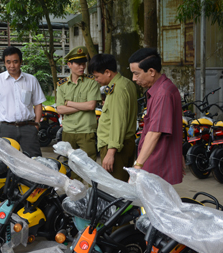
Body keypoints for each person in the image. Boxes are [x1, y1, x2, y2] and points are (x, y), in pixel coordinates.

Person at [129, 48, 183, 184]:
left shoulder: (163, 93)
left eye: (136, 74)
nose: (134, 79)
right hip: (156, 159)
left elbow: (154, 133)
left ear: (151, 72)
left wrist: (137, 167)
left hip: (157, 163)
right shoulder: (159, 89)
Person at [0, 46, 46, 157]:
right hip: (7, 128)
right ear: (4, 63)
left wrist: (36, 124)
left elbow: (38, 103)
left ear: (21, 62)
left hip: (28, 127)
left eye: (15, 62)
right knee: (8, 160)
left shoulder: (31, 80)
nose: (12, 66)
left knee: (34, 160)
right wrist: (3, 107)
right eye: (8, 62)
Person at [88, 54, 138, 182]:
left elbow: (118, 123)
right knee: (122, 186)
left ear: (107, 72)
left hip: (115, 147)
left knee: (116, 189)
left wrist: (110, 153)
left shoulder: (117, 90)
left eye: (97, 76)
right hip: (124, 143)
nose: (96, 80)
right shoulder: (127, 83)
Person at [56, 46, 101, 162]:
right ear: (69, 64)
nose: (82, 67)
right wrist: (83, 106)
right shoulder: (62, 85)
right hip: (68, 131)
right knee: (69, 164)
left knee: (89, 166)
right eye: (78, 64)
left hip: (86, 131)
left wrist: (69, 103)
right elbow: (60, 109)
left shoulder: (92, 82)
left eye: (83, 63)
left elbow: (91, 106)